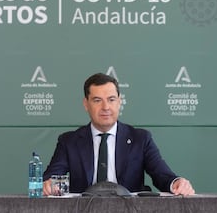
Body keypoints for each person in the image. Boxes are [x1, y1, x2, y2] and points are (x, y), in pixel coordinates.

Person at [43, 73, 194, 196]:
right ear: (86, 104)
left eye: (111, 99)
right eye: (97, 100)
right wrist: (48, 185)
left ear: (119, 102)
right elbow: (51, 178)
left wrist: (176, 183)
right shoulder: (69, 141)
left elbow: (162, 175)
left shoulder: (140, 139)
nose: (106, 107)